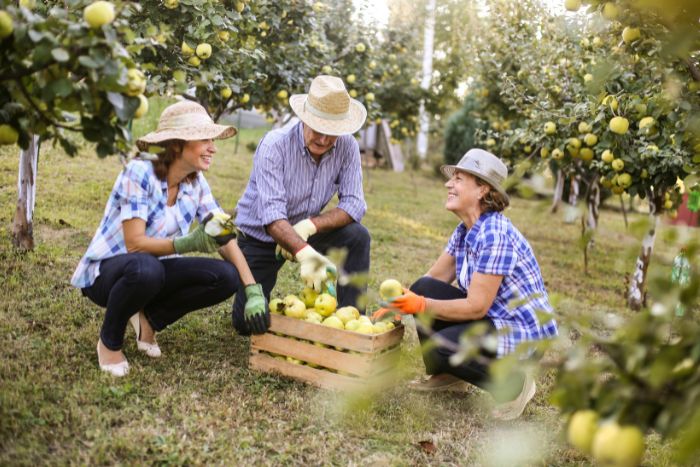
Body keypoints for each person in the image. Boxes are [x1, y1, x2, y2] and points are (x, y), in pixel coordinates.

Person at [71, 100, 267, 377]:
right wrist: (188, 243)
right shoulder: (139, 172)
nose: (213, 147)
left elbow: (223, 234)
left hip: (155, 273)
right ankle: (109, 342)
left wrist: (251, 289)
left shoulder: (196, 182)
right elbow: (135, 244)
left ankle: (149, 321)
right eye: (204, 139)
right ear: (177, 144)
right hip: (108, 274)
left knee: (226, 277)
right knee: (145, 268)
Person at [374, 148, 558, 420]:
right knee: (424, 287)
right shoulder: (465, 230)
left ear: (482, 189)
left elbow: (476, 307)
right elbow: (432, 281)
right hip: (493, 320)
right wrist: (400, 304)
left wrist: (420, 305)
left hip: (519, 331)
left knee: (443, 346)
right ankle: (449, 375)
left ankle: (515, 385)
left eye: (459, 179)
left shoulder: (495, 234)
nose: (449, 184)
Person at [233, 75, 369, 335]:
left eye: (333, 133)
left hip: (307, 229)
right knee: (247, 323)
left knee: (357, 236)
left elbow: (354, 204)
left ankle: (350, 323)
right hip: (261, 238)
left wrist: (309, 226)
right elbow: (272, 216)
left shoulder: (348, 146)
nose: (325, 139)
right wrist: (304, 252)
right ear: (305, 118)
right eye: (318, 129)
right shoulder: (275, 145)